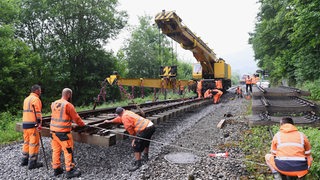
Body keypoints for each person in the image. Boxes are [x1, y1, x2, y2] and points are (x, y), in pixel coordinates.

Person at [104, 106, 155, 171]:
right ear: (123, 110)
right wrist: (110, 121)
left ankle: (138, 164)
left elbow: (129, 128)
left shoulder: (124, 117)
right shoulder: (127, 112)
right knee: (146, 141)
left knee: (135, 145)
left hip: (145, 129)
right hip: (151, 125)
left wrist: (134, 138)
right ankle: (146, 157)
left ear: (119, 114)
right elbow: (119, 119)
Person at [50, 88, 86, 178]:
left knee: (56, 150)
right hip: (63, 134)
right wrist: (82, 125)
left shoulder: (54, 103)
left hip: (53, 132)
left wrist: (69, 123)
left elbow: (59, 117)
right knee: (68, 151)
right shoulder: (68, 105)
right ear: (69, 95)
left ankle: (56, 169)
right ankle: (70, 170)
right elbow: (76, 118)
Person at [21, 84, 43, 169]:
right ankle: (32, 163)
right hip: (33, 125)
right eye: (40, 90)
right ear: (36, 91)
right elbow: (37, 112)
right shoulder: (36, 99)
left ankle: (24, 160)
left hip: (25, 124)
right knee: (34, 143)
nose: (40, 92)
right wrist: (39, 123)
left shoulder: (26, 99)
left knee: (26, 142)